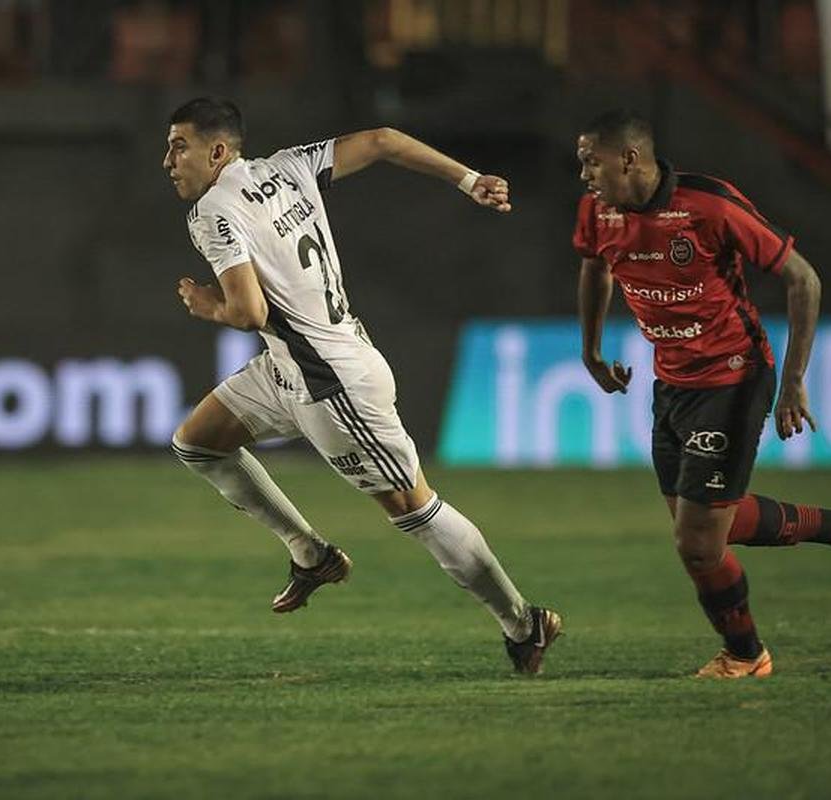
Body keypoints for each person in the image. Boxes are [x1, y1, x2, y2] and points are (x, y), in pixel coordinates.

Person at [163, 97, 560, 674]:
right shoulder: (288, 167)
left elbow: (247, 312)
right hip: (290, 367)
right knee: (197, 442)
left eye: (180, 146)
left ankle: (525, 623)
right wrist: (467, 178)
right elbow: (382, 140)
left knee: (413, 507)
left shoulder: (211, 213)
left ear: (218, 151)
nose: (168, 159)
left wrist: (208, 306)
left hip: (332, 385)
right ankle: (310, 554)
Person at [573, 109, 831, 679]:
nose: (584, 175)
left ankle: (746, 655)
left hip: (733, 380)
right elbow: (596, 269)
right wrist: (591, 350)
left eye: (591, 161)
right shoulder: (599, 211)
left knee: (697, 544)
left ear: (629, 158)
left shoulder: (709, 205)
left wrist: (793, 383)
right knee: (704, 529)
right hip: (672, 383)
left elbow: (803, 279)